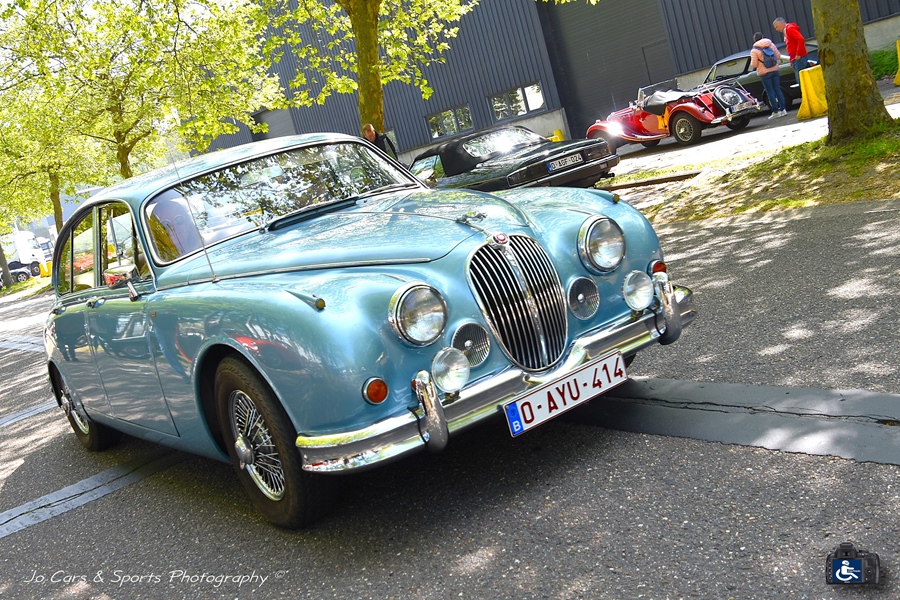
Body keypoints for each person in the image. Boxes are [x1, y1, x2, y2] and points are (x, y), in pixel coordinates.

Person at [750, 32, 787, 119]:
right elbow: (778, 56)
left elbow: (754, 65)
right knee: (777, 89)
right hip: (775, 70)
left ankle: (776, 111)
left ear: (754, 40)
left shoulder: (754, 50)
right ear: (763, 37)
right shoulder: (771, 44)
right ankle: (783, 109)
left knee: (770, 92)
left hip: (765, 73)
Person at [772, 17, 810, 82]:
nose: (776, 29)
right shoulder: (786, 30)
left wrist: (798, 54)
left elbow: (800, 39)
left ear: (781, 23)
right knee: (800, 79)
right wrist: (791, 60)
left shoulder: (789, 28)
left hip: (799, 58)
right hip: (795, 58)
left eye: (776, 27)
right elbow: (790, 46)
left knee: (801, 80)